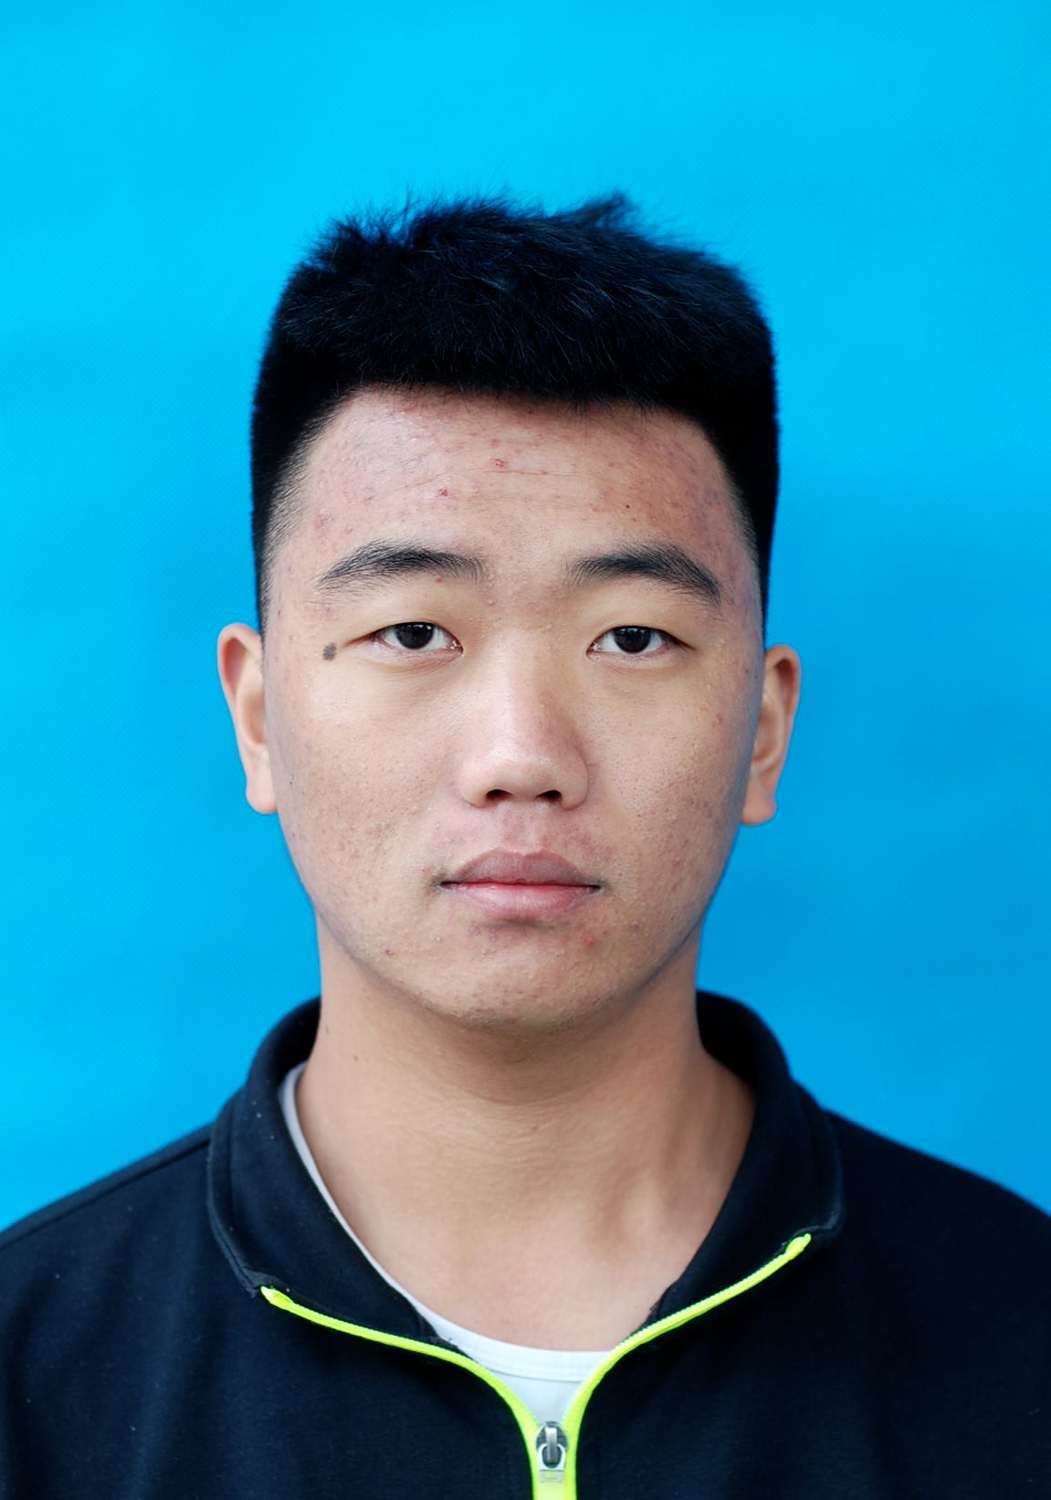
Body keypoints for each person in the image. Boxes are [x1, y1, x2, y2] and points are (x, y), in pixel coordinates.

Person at [1, 193, 1047, 1499]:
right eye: (413, 632)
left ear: (765, 731)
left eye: (632, 638)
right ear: (259, 717)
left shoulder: (1021, 1344)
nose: (521, 755)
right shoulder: (32, 1382)